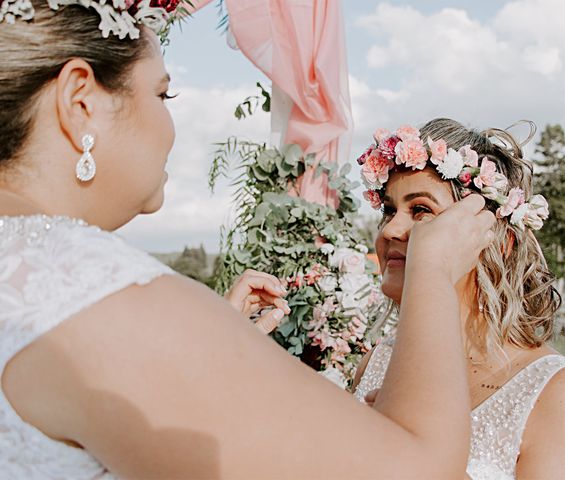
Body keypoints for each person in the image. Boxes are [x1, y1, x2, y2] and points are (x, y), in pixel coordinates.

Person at [0, 1, 497, 478]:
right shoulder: (103, 300)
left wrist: (203, 360)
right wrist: (431, 271)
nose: (169, 124)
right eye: (161, 94)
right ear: (80, 101)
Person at [352, 118, 565, 479]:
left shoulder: (560, 399)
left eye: (421, 210)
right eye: (389, 210)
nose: (390, 229)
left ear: (495, 239)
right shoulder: (378, 361)